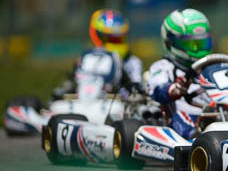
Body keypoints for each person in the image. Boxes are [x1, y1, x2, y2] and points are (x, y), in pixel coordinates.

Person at [145, 9, 214, 139]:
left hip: (217, 115)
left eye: (202, 44)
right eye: (192, 44)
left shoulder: (214, 67)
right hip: (185, 120)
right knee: (186, 124)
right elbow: (157, 89)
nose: (197, 49)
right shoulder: (163, 66)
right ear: (170, 42)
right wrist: (173, 89)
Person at [53, 9, 143, 99]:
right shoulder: (86, 59)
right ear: (99, 36)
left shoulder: (132, 62)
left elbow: (136, 91)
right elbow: (73, 83)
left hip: (117, 106)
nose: (115, 42)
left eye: (118, 39)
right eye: (110, 38)